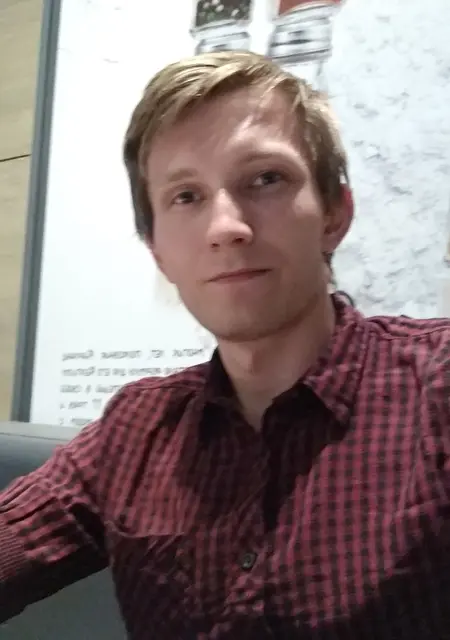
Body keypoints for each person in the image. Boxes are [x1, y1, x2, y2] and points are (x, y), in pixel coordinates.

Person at [0, 50, 449, 639]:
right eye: (186, 196)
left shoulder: (435, 391)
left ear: (335, 213)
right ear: (159, 251)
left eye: (266, 179)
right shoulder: (135, 430)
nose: (226, 228)